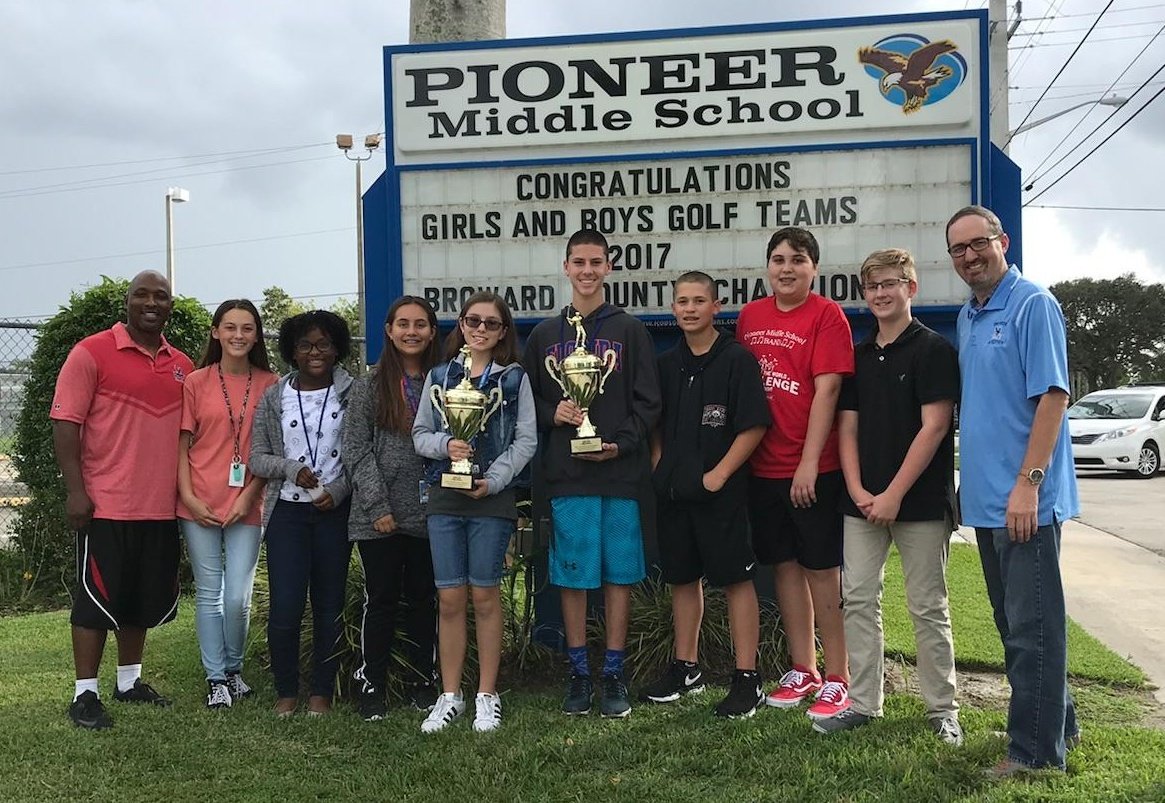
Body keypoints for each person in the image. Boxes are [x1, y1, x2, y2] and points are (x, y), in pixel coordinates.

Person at [946, 205, 1080, 775]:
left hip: (1026, 501)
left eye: (979, 243)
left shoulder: (1032, 304)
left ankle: (1033, 754)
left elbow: (1053, 396)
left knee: (1032, 630)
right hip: (988, 500)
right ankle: (1059, 728)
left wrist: (1029, 484)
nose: (969, 256)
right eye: (958, 249)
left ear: (1002, 241)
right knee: (1014, 624)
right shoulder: (968, 316)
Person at [812, 249, 962, 745]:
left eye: (891, 284)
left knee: (927, 606)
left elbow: (934, 426)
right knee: (857, 599)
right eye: (873, 286)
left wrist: (894, 493)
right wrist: (858, 490)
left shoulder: (934, 349)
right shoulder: (857, 356)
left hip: (919, 502)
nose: (881, 293)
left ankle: (942, 710)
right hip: (861, 501)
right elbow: (847, 428)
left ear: (910, 288)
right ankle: (863, 703)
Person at [523, 229, 662, 719]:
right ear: (566, 267)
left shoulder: (630, 330)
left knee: (619, 576)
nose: (587, 270)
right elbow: (527, 403)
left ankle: (614, 672)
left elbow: (649, 403)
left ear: (609, 267)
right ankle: (579, 672)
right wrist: (552, 413)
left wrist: (619, 444)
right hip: (568, 475)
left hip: (619, 474)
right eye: (578, 262)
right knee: (574, 575)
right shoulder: (544, 335)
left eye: (595, 262)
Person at [52, 270, 194, 730]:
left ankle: (129, 682)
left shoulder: (183, 365)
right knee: (95, 602)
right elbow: (66, 423)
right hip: (105, 505)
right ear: (127, 302)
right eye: (142, 295)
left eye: (161, 296)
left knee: (141, 598)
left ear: (170, 305)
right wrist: (76, 492)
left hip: (161, 507)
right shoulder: (91, 352)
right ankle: (84, 694)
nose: (152, 303)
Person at [736, 226, 854, 721]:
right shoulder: (750, 316)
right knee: (783, 566)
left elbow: (828, 390)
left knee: (822, 570)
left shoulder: (827, 315)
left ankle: (839, 675)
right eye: (779, 259)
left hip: (813, 468)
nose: (787, 268)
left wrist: (808, 461)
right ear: (768, 266)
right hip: (763, 468)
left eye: (798, 260)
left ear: (814, 268)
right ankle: (803, 668)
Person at [641, 271, 771, 718]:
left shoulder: (737, 360)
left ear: (716, 306)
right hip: (674, 493)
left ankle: (747, 678)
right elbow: (655, 424)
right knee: (682, 578)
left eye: (699, 301)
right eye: (683, 301)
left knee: (736, 580)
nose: (690, 309)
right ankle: (686, 668)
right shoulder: (666, 364)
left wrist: (719, 475)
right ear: (673, 308)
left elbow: (753, 425)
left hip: (721, 494)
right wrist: (659, 463)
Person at [413, 292, 537, 733]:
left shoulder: (514, 379)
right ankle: (450, 695)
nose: (481, 329)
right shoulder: (439, 376)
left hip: (492, 498)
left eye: (491, 323)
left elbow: (526, 440)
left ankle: (487, 694)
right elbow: (420, 434)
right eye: (473, 321)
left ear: (503, 332)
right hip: (444, 497)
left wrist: (496, 480)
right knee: (449, 598)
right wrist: (446, 445)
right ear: (461, 325)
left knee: (485, 595)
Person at [250, 310, 353, 718]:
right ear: (292, 351)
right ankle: (286, 690)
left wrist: (338, 491)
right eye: (306, 345)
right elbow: (257, 457)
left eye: (324, 344)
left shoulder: (352, 393)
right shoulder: (274, 396)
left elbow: (362, 452)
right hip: (287, 516)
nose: (315, 352)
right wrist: (291, 469)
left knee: (329, 606)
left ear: (336, 349)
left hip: (334, 514)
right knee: (286, 606)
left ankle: (321, 693)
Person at [342, 296, 441, 722]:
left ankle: (423, 681)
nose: (411, 331)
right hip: (378, 515)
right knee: (380, 600)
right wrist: (377, 504)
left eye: (420, 324)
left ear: (432, 332)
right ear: (388, 330)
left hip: (430, 511)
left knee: (424, 598)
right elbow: (355, 449)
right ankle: (372, 684)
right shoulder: (368, 386)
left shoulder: (445, 382)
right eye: (403, 323)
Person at [178, 299, 278, 709]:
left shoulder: (271, 383)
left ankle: (235, 669)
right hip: (198, 502)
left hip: (247, 504)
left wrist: (249, 496)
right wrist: (188, 497)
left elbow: (273, 451)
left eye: (247, 328)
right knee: (209, 593)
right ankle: (216, 677)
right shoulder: (195, 382)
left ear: (256, 335)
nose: (238, 335)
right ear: (216, 332)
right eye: (230, 327)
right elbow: (181, 445)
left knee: (237, 596)